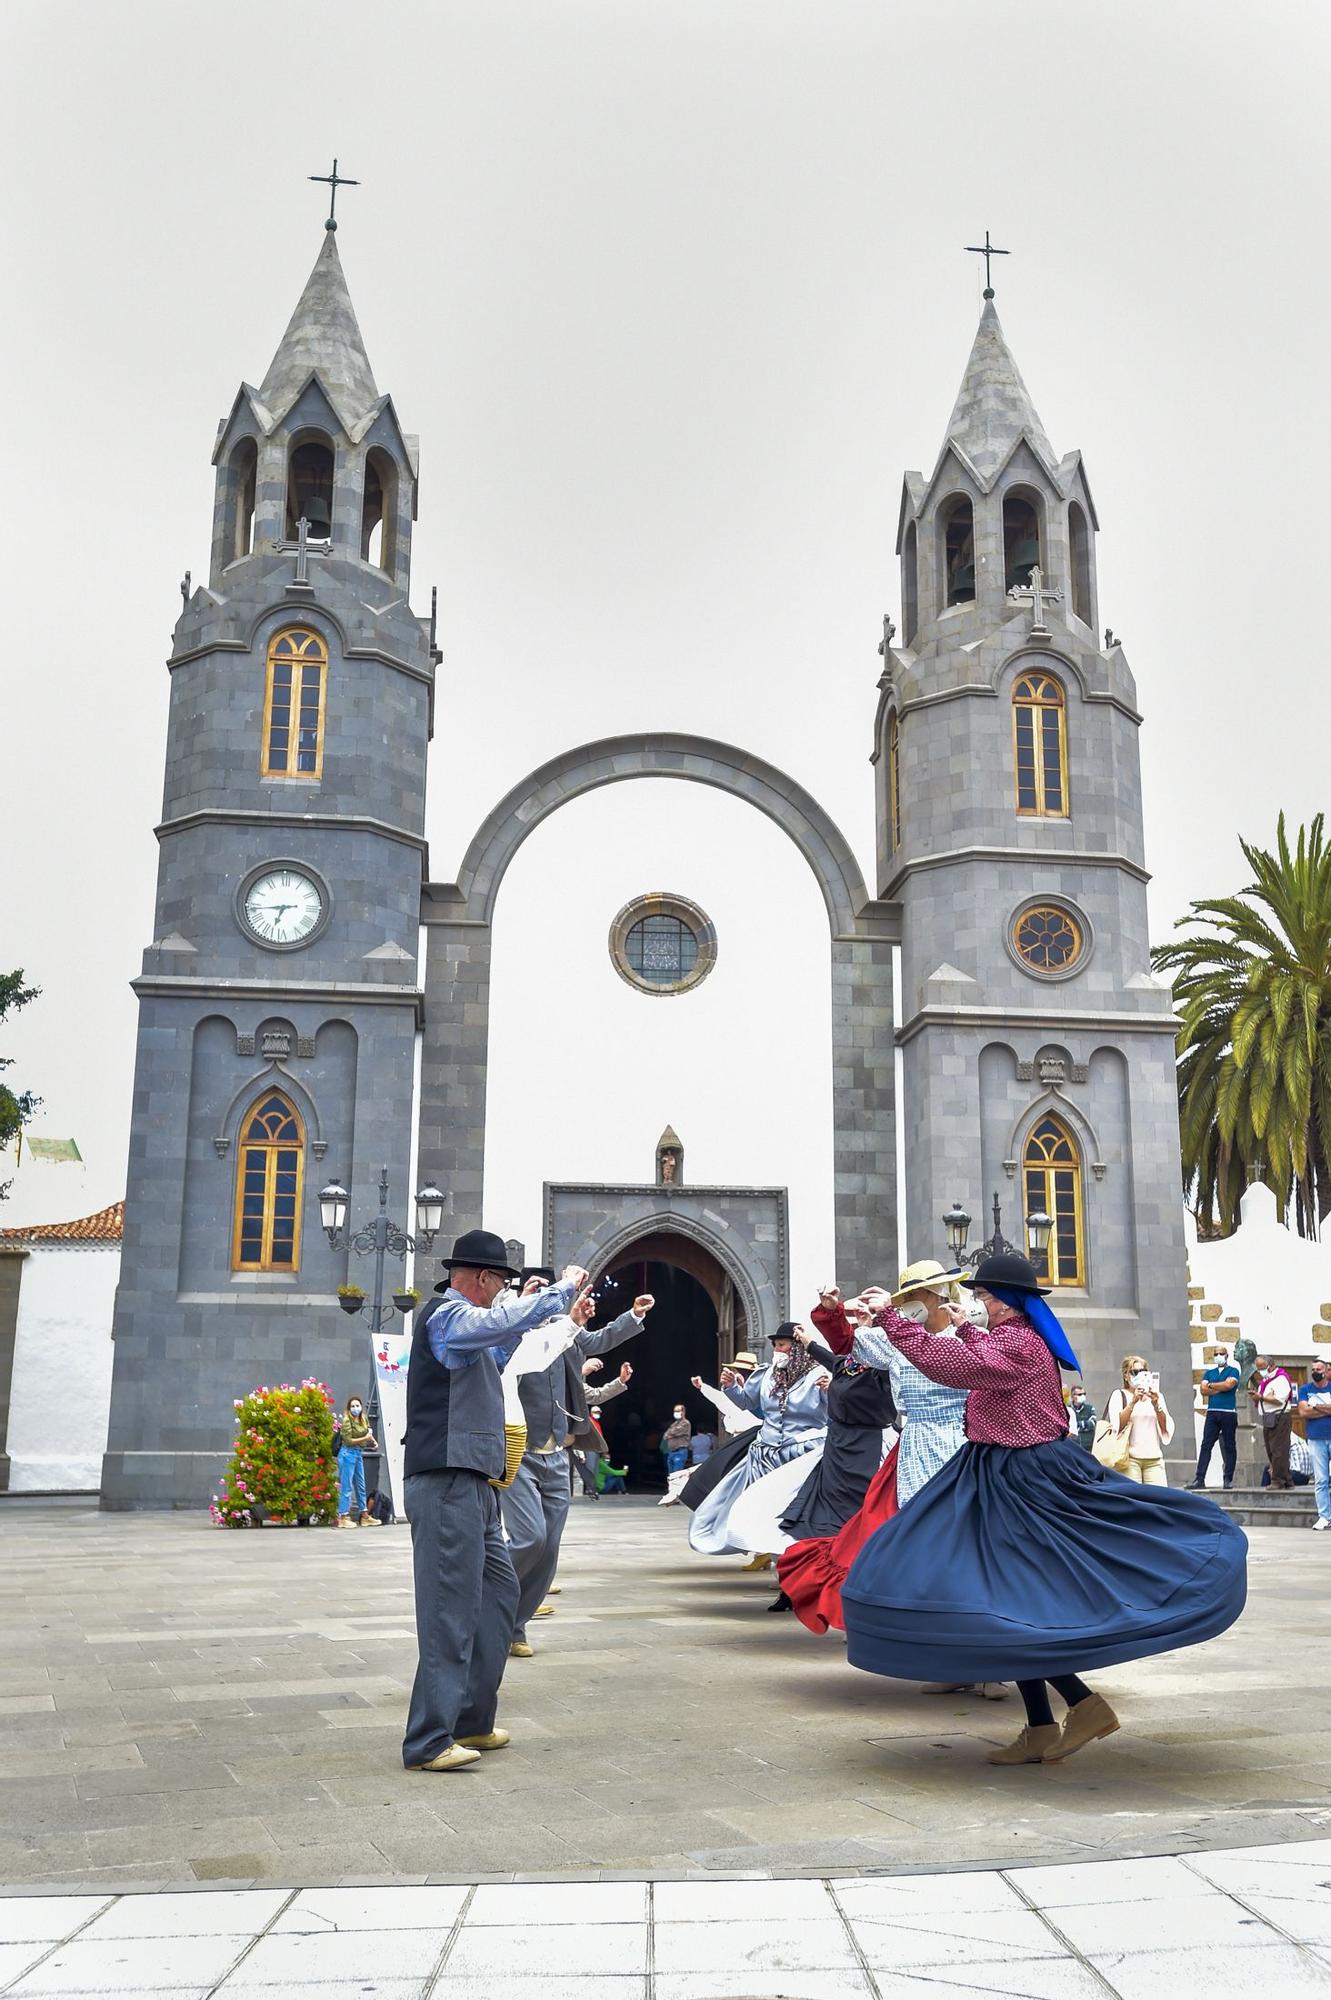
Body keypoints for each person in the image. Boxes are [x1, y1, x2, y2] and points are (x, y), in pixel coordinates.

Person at [840, 1251, 1248, 1767]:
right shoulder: (1016, 1338)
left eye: (985, 1296)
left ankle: (1072, 1710)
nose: (978, 1302)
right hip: (997, 1470)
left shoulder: (1020, 1343)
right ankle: (1047, 1721)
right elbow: (979, 1352)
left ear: (1009, 1302)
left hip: (1023, 1477)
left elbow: (956, 1367)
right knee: (1012, 1602)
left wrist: (893, 1320)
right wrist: (962, 1326)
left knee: (1017, 1600)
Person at [401, 1229, 587, 1774]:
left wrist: (564, 1321)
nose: (502, 1291)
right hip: (447, 1480)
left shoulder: (472, 1331)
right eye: (500, 1281)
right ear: (481, 1278)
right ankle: (428, 1739)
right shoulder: (446, 1316)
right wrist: (556, 1293)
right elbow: (496, 1324)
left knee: (499, 1598)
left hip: (477, 1485)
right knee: (449, 1612)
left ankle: (471, 1719)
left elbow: (513, 1344)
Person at [503, 1274, 654, 1658]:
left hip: (557, 1452)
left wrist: (632, 1316)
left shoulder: (566, 1331)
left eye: (549, 1289)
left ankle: (515, 1627)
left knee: (549, 1547)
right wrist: (522, 1304)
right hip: (518, 1451)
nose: (543, 1295)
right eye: (533, 1288)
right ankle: (486, 1587)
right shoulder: (508, 1329)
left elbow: (599, 1339)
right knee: (529, 1538)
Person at [759, 1313, 896, 1612]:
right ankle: (799, 1586)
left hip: (866, 1449)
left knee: (860, 1518)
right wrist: (806, 1340)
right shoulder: (847, 1366)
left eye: (867, 1337)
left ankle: (861, 1586)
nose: (859, 1341)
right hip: (836, 1449)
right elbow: (827, 1355)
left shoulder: (885, 1373)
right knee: (815, 1518)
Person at [687, 1326, 826, 1561]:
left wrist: (831, 1391)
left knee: (793, 1510)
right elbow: (747, 1401)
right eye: (775, 1345)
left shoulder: (819, 1375)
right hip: (766, 1454)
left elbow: (836, 1411)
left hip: (803, 1453)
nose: (777, 1350)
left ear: (798, 1348)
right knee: (764, 1508)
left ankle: (795, 1561)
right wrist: (732, 1388)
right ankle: (775, 1561)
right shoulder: (767, 1373)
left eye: (782, 1345)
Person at [1106, 1355, 1175, 1484]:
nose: (1139, 1375)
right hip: (1129, 1459)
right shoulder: (1119, 1395)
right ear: (1126, 1375)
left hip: (1154, 1458)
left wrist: (1156, 1404)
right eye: (1135, 1372)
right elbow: (1117, 1426)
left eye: (1143, 1372)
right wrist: (1133, 1402)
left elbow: (1165, 1427)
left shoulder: (1156, 1396)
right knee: (1134, 1501)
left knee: (1159, 1499)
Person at [1187, 1344, 1241, 1489]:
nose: (1218, 1356)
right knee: (1206, 1445)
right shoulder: (1209, 1373)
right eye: (1216, 1354)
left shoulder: (1234, 1371)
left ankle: (1228, 1478)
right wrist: (1218, 1386)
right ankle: (1200, 1478)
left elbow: (1229, 1385)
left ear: (1227, 1355)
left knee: (1229, 1445)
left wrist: (1212, 1386)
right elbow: (1203, 1390)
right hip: (1212, 1412)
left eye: (1221, 1353)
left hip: (1228, 1412)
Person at [1251, 1357, 1294, 1490]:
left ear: (1270, 1366)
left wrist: (1262, 1397)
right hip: (1268, 1417)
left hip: (1279, 1417)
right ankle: (1286, 1479)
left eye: (1262, 1367)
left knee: (1278, 1450)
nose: (1260, 1371)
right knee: (1271, 1449)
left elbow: (1279, 1399)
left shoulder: (1281, 1379)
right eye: (1258, 1368)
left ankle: (1278, 1480)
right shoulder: (1266, 1380)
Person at [336, 1396, 378, 1528]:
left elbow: (368, 1434)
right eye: (353, 1406)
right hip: (347, 1453)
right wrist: (365, 1438)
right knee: (347, 1486)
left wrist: (373, 1441)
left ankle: (365, 1516)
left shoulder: (363, 1419)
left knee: (361, 1485)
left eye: (357, 1406)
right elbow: (348, 1440)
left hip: (358, 1454)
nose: (355, 1408)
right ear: (349, 1408)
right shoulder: (347, 1420)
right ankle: (342, 1517)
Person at [1299, 1358, 1331, 1529]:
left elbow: (1310, 1409)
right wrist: (1327, 1409)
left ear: (1326, 1371)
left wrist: (1316, 1407)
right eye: (1313, 1369)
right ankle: (1324, 1516)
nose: (1315, 1372)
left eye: (1319, 1369)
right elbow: (1303, 1412)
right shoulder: (1305, 1389)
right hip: (1316, 1439)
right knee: (1321, 1480)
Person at [662, 1404, 693, 1475]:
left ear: (683, 1412)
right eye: (675, 1411)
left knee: (676, 1475)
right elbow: (665, 1436)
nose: (676, 1412)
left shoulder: (686, 1423)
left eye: (678, 1411)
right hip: (671, 1452)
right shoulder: (674, 1424)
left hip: (680, 1452)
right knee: (670, 1475)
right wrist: (671, 1434)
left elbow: (674, 1432)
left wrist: (671, 1433)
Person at [1068, 1385, 1098, 1453]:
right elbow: (1068, 1428)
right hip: (1073, 1448)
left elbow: (1092, 1424)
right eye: (1080, 1394)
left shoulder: (1090, 1408)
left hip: (1088, 1447)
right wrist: (1084, 1425)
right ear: (1073, 1396)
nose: (1083, 1396)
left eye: (1084, 1394)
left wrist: (1076, 1425)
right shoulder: (1068, 1410)